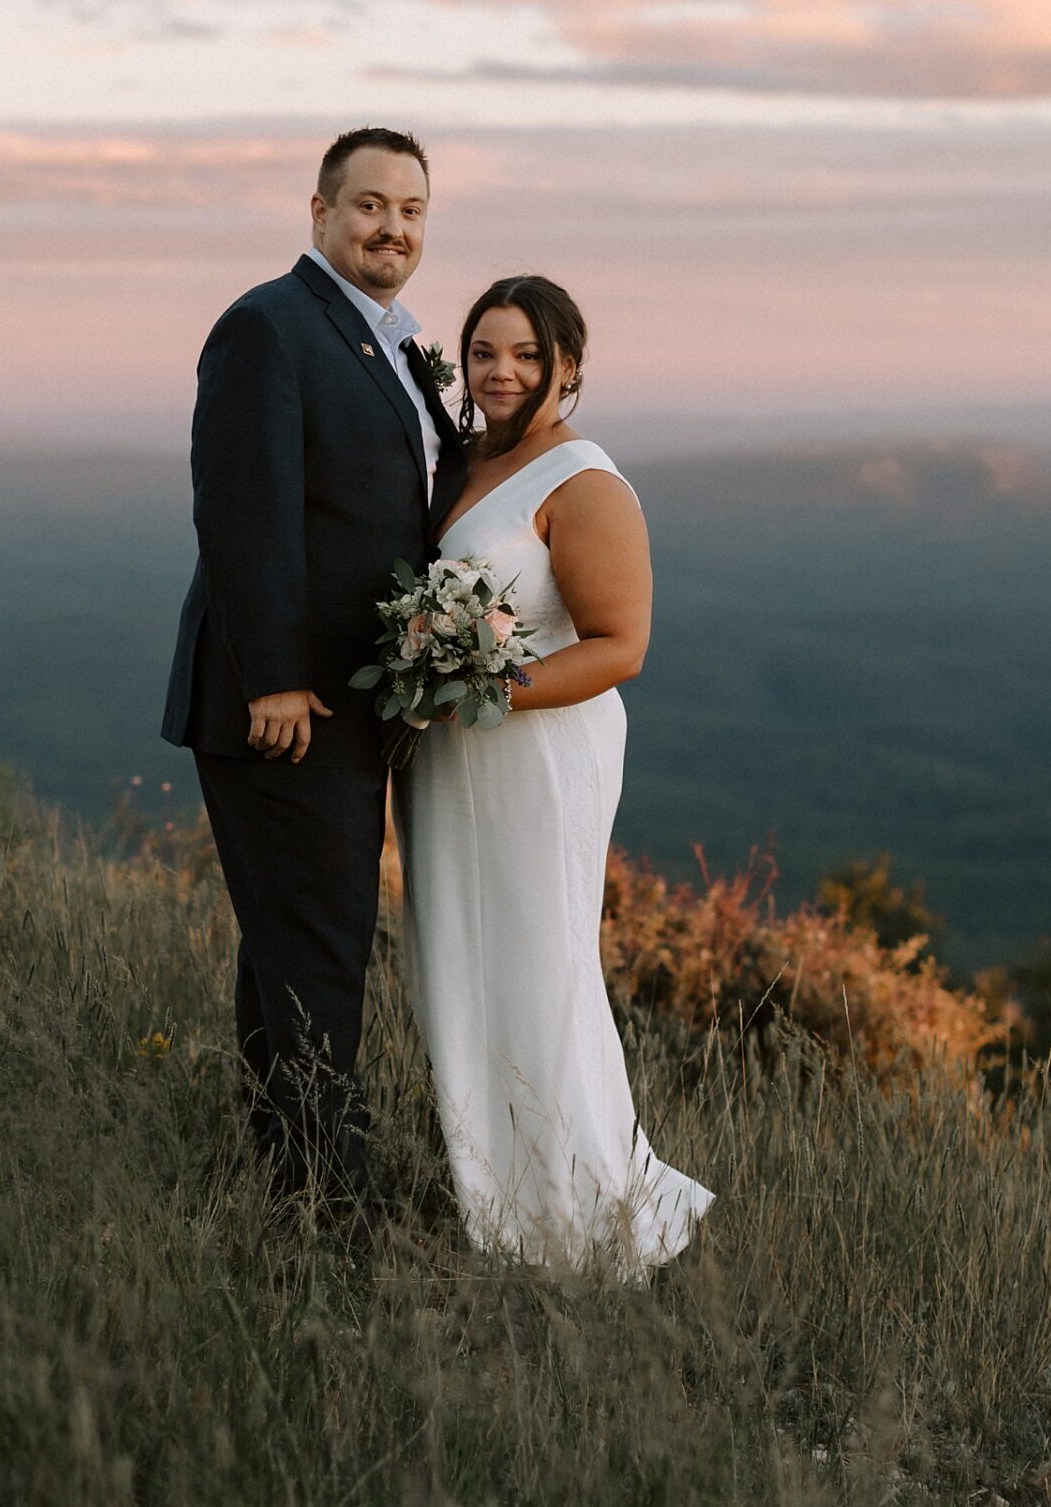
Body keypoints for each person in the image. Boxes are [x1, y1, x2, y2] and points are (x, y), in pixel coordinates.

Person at [162, 128, 468, 1215]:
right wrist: (276, 679)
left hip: (350, 700)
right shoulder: (268, 326)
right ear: (320, 212)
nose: (394, 228)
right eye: (371, 206)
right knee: (324, 946)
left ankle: (285, 1174)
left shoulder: (391, 340)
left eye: (414, 211)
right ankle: (328, 1205)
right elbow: (242, 512)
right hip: (285, 705)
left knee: (293, 943)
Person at [395, 277, 714, 1273]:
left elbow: (622, 645)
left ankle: (585, 1218)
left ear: (569, 367)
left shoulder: (584, 482)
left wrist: (487, 687)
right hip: (450, 760)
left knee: (539, 963)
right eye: (484, 351)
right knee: (457, 963)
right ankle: (495, 1199)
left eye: (527, 355)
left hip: (535, 756)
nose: (501, 372)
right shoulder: (465, 462)